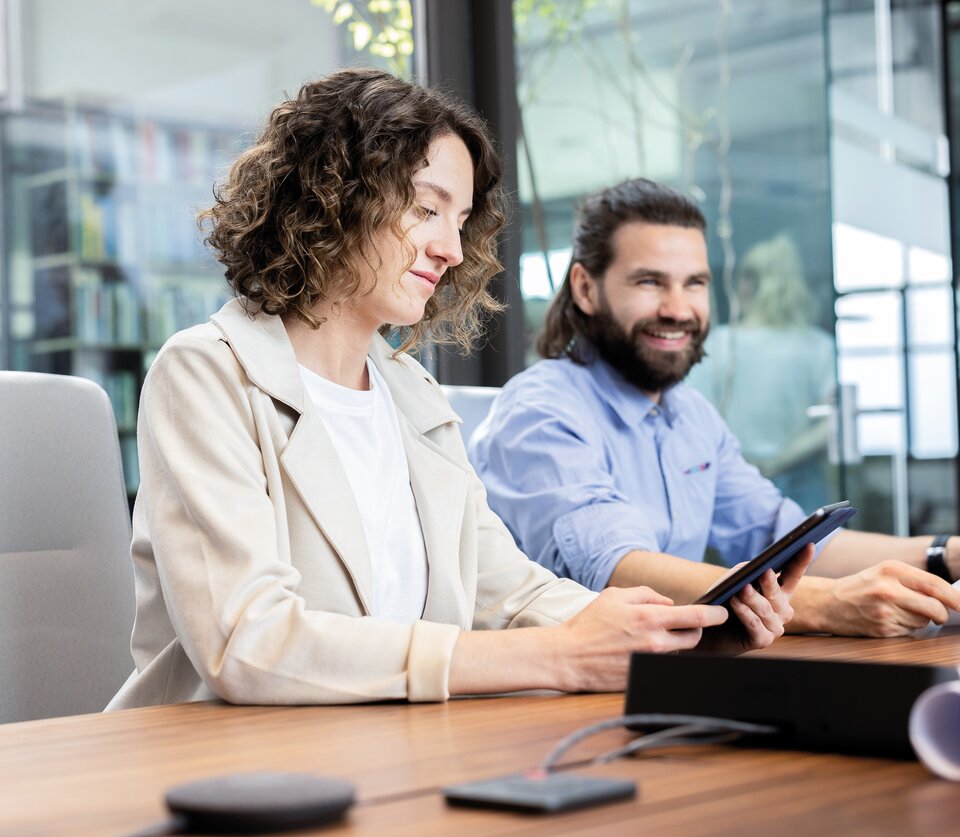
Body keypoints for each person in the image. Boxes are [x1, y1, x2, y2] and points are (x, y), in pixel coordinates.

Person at [107, 73, 803, 711]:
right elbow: (248, 644)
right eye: (425, 209)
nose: (452, 248)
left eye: (461, 220)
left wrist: (676, 636)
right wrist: (554, 657)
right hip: (224, 781)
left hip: (383, 756)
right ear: (330, 198)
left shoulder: (411, 393)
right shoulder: (207, 373)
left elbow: (509, 589)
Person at [469, 178, 960, 639]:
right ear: (585, 288)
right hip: (551, 699)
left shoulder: (692, 416)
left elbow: (789, 541)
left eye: (694, 283)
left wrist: (944, 556)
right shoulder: (539, 411)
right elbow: (618, 571)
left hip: (666, 671)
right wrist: (829, 603)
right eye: (649, 282)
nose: (678, 309)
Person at [686, 234, 835, 513]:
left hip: (742, 479)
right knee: (819, 554)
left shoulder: (717, 344)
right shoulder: (817, 346)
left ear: (745, 285)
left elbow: (692, 417)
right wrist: (779, 461)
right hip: (781, 478)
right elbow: (833, 423)